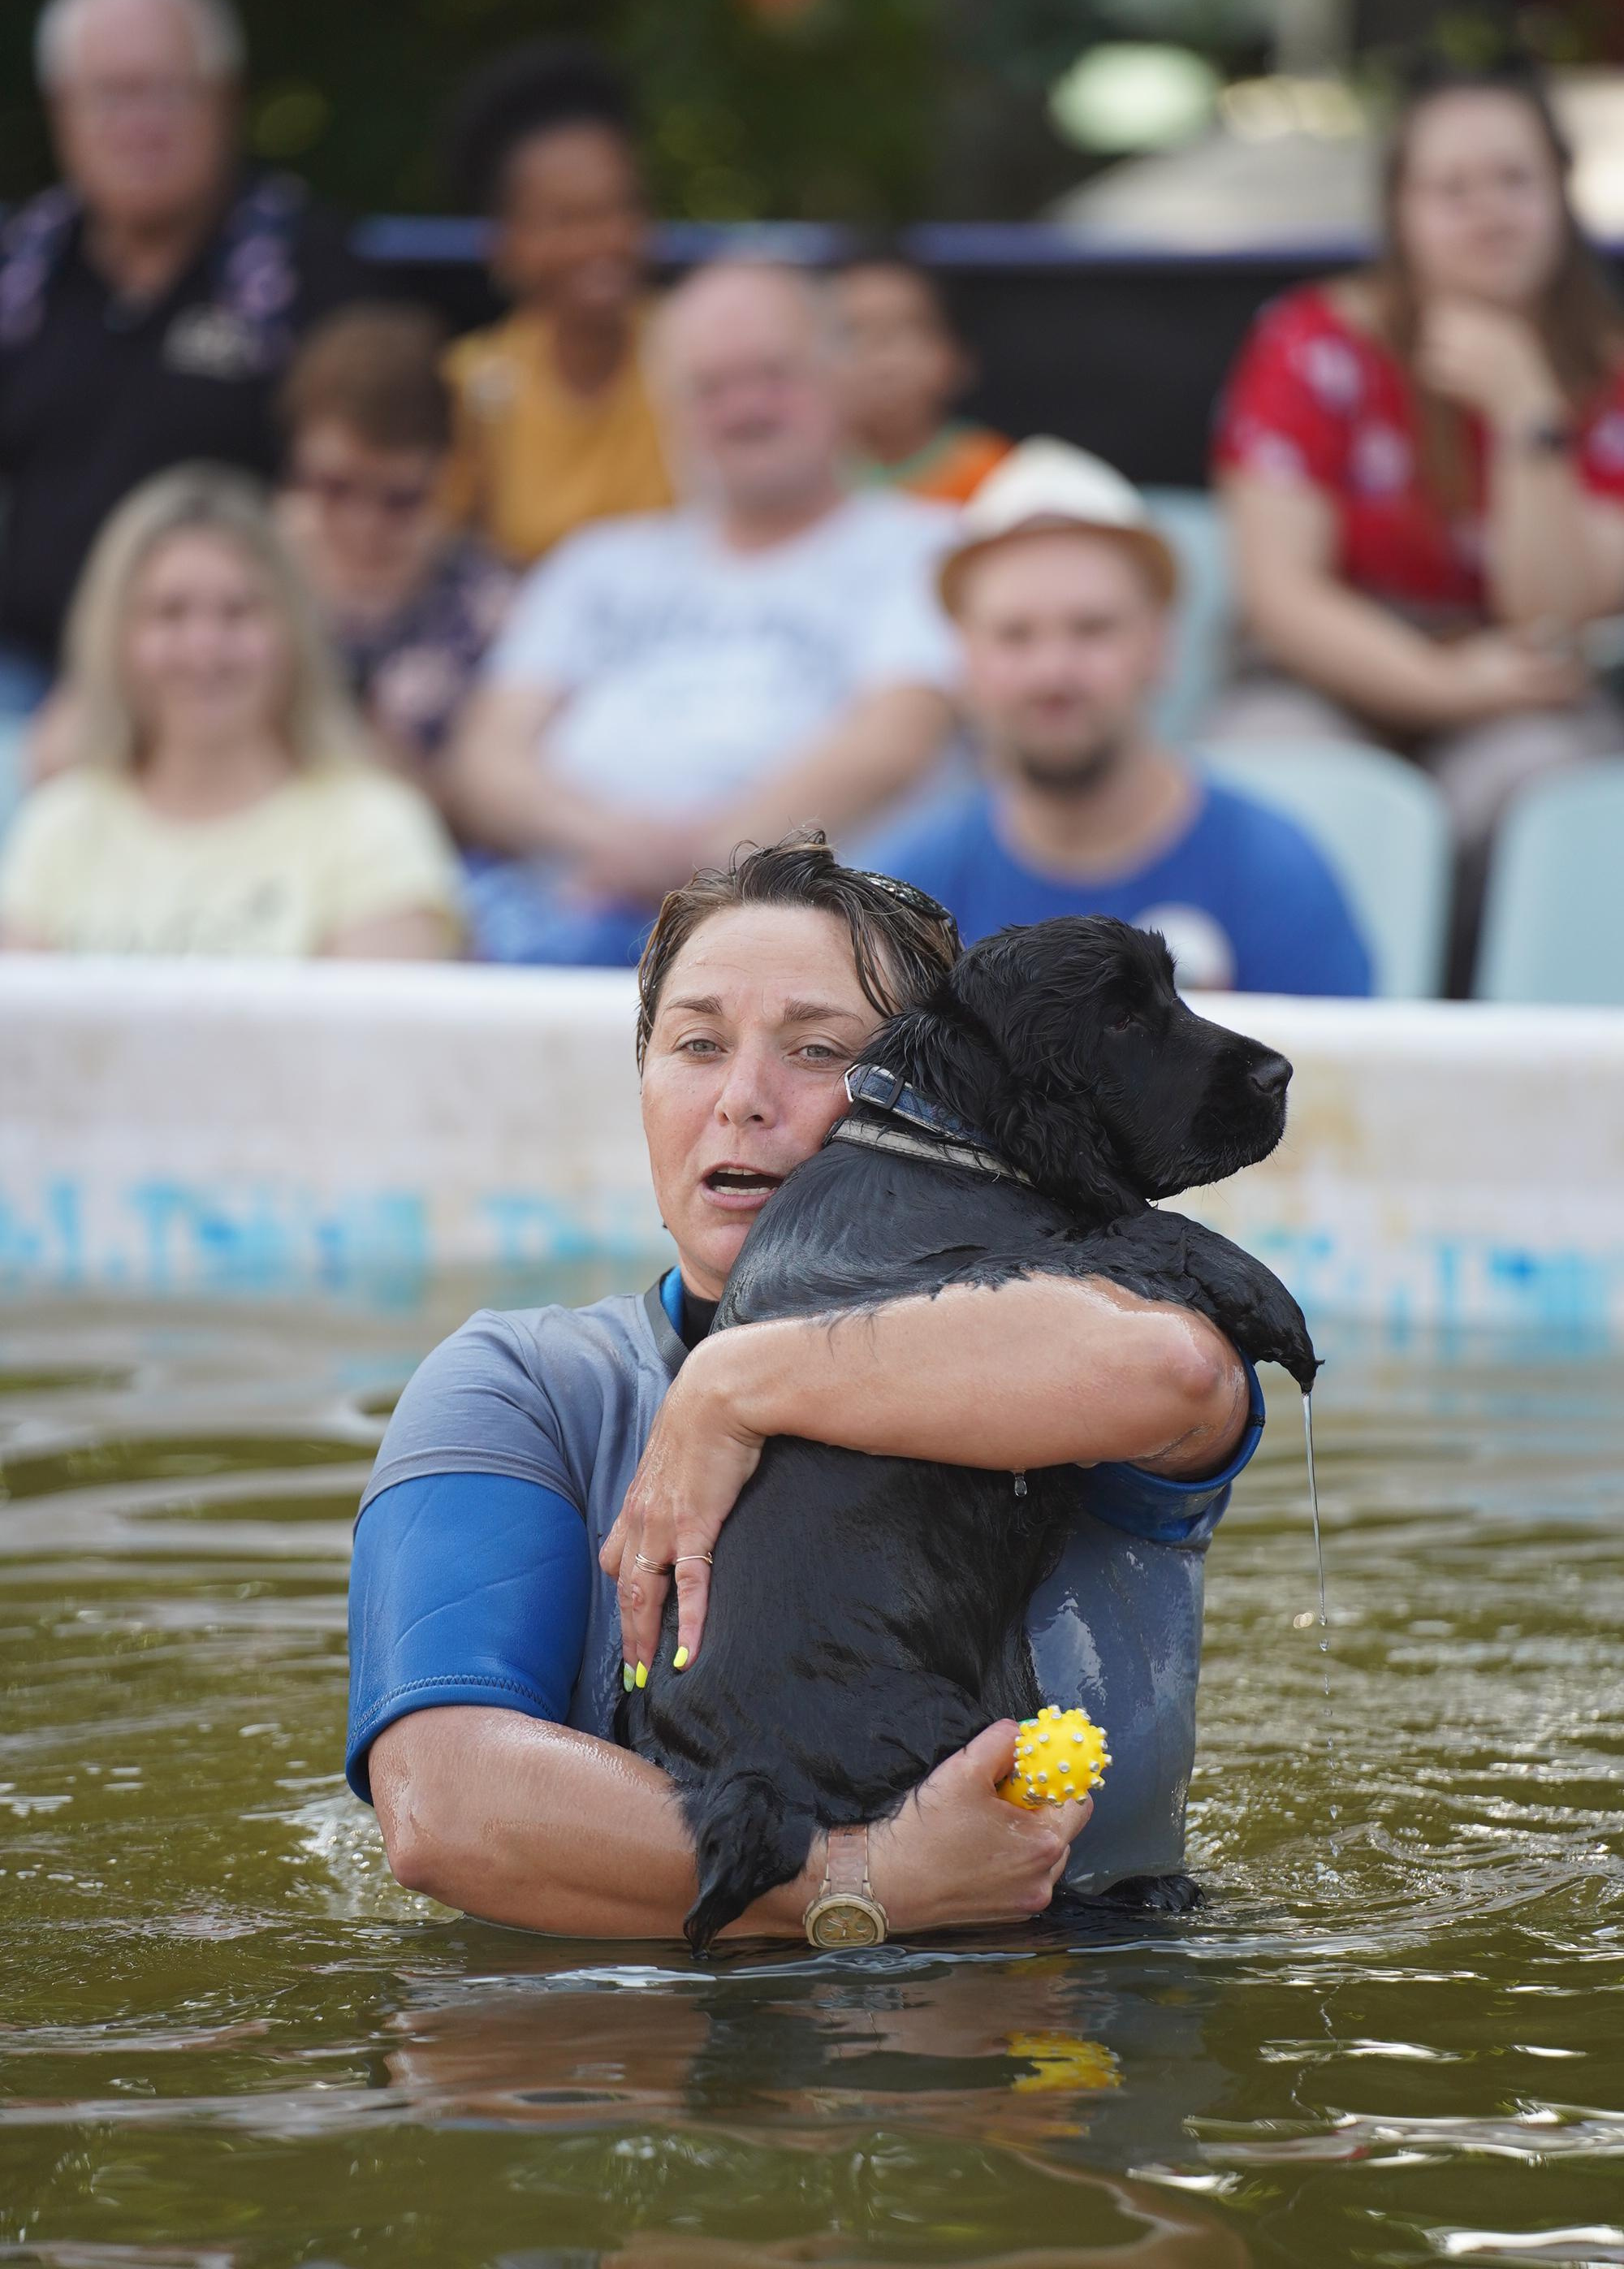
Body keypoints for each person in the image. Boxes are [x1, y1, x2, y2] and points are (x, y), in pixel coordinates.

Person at [348, 833, 1267, 1941]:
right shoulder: (527, 1387)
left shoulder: (1103, 1338)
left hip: (1075, 1996)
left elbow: (1173, 1374)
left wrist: (736, 1382)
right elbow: (442, 1808)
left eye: (821, 1051)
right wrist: (858, 1881)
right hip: (656, 2044)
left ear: (942, 1093)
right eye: (695, 1044)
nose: (743, 1098)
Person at [1212, 61, 1624, 976]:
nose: (1488, 212)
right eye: (1450, 189)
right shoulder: (1309, 341)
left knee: (1553, 791)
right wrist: (1446, 687)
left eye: (1514, 180)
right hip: (1325, 671)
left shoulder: (1608, 372)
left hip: (1521, 677)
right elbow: (1282, 594)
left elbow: (1552, 614)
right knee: (1274, 767)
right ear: (1398, 211)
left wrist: (1526, 413)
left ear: (1560, 191)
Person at [444, 259, 961, 966]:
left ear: (837, 379)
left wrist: (704, 868)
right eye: (710, 387)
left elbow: (896, 742)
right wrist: (609, 842)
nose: (746, 407)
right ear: (668, 412)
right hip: (562, 913)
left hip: (812, 935)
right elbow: (487, 759)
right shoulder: (595, 561)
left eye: (774, 375)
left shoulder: (928, 548)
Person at [0, 0, 368, 726]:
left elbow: (362, 513)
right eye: (111, 95)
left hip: (231, 677)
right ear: (61, 109)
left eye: (168, 90)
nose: (140, 123)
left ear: (225, 99)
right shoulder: (19, 271)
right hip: (21, 670)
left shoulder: (306, 272)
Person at [870, 439, 1371, 995]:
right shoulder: (911, 900)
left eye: (1093, 629)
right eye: (1015, 635)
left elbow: (1344, 1079)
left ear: (1161, 646)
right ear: (963, 660)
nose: (1053, 672)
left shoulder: (1273, 877)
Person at [0, 466, 462, 959]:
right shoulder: (62, 824)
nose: (205, 650)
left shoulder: (373, 825)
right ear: (117, 636)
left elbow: (380, 1030)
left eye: (238, 611)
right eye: (169, 613)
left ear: (293, 634)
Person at [439, 42, 672, 568]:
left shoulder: (701, 359)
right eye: (567, 220)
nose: (604, 241)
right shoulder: (473, 389)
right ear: (504, 245)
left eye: (623, 208)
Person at [276, 304, 516, 802]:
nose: (363, 526)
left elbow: (483, 806)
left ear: (446, 472)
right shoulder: (236, 567)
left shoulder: (489, 606)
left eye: (401, 500)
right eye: (334, 488)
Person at [830, 248, 1012, 504]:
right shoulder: (794, 477)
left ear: (958, 358)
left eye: (905, 332)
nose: (881, 362)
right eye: (852, 333)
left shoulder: (1003, 479)